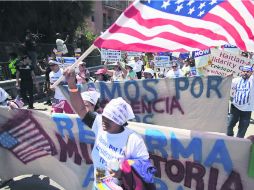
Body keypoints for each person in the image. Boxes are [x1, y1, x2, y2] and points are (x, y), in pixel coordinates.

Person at [63, 67, 154, 188]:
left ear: (120, 122)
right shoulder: (99, 123)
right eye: (104, 117)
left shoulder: (133, 140)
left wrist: (121, 173)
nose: (104, 122)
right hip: (99, 184)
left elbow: (145, 169)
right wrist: (71, 84)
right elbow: (80, 109)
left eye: (109, 120)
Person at [227, 65, 254, 138]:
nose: (245, 73)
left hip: (247, 109)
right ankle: (229, 137)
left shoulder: (252, 80)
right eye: (244, 71)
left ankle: (238, 142)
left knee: (243, 128)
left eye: (248, 72)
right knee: (229, 125)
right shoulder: (235, 80)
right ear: (241, 72)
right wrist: (228, 77)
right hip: (235, 106)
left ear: (251, 73)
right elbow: (226, 83)